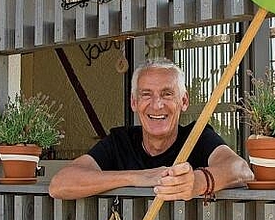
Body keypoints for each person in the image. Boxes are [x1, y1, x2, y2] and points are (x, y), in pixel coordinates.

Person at [49, 58, 253, 200]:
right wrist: (139, 177)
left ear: (184, 101)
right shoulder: (120, 141)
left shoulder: (197, 137)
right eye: (146, 94)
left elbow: (241, 170)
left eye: (167, 94)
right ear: (134, 102)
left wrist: (197, 183)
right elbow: (60, 184)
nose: (157, 105)